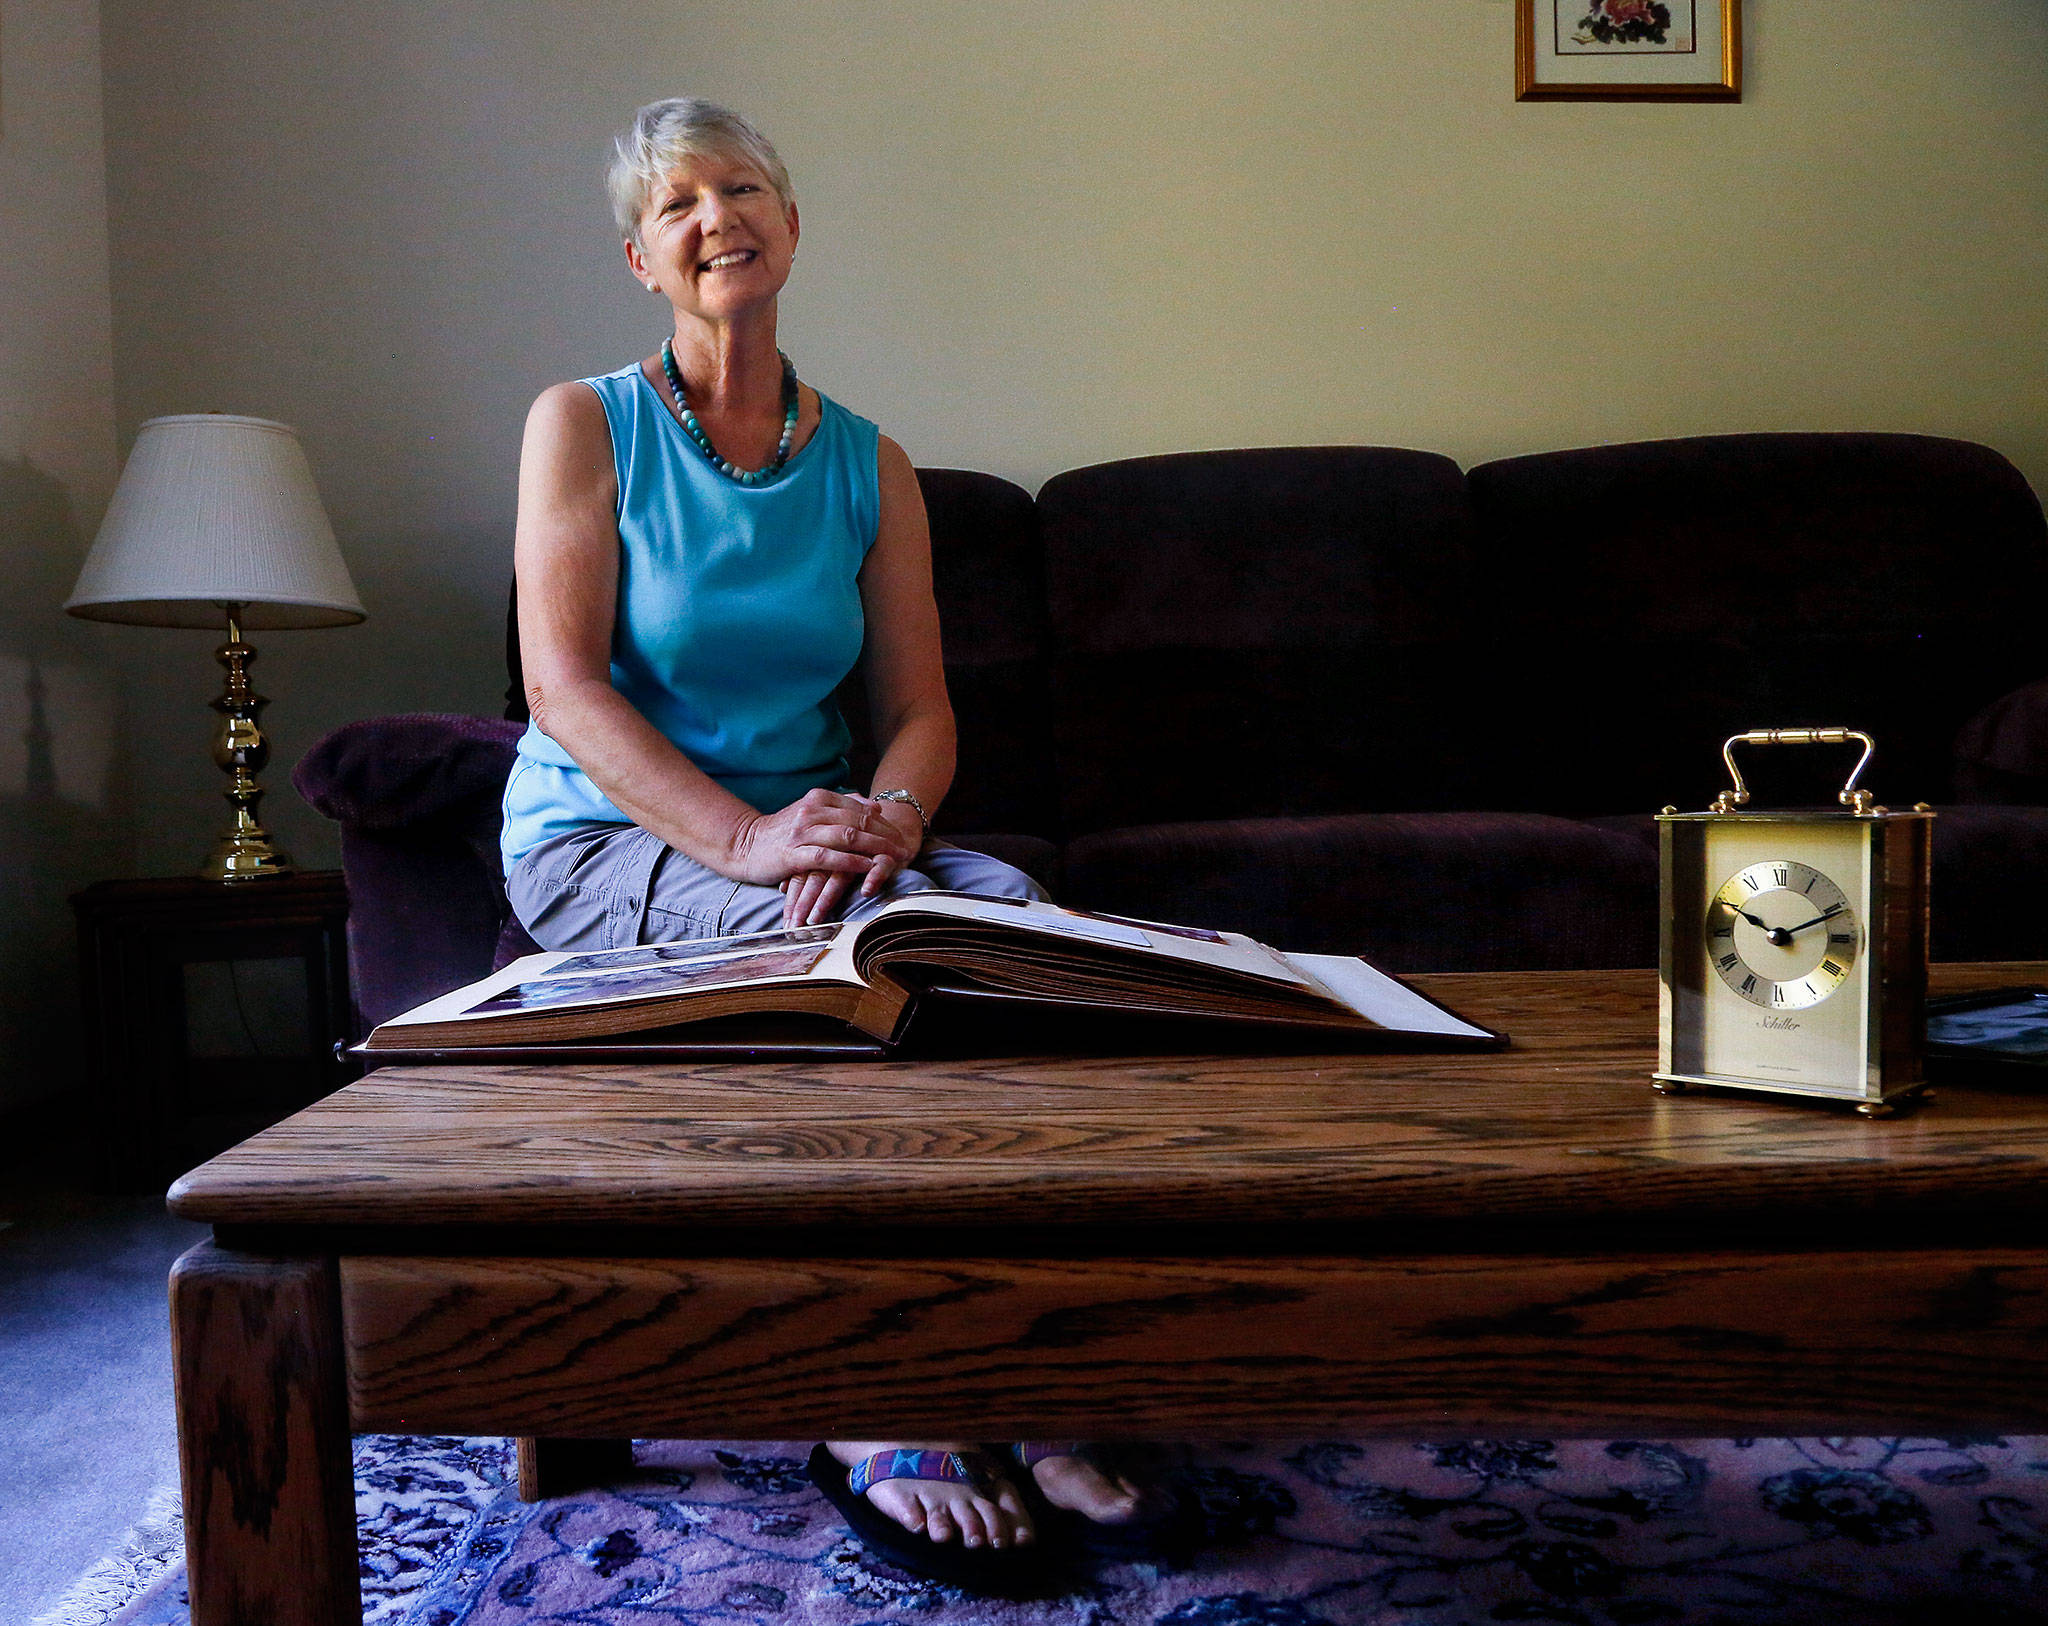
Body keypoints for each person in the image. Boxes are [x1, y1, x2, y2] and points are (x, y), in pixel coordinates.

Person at [503, 97, 1161, 1577]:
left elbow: (919, 709)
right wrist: (744, 842)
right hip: (612, 837)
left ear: (792, 230)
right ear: (640, 259)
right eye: (676, 203)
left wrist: (897, 819)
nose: (714, 216)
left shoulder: (872, 462)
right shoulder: (582, 423)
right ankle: (872, 1393)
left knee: (1020, 927)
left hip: (821, 839)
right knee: (861, 962)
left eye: (743, 189)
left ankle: (1026, 1360)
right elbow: (564, 687)